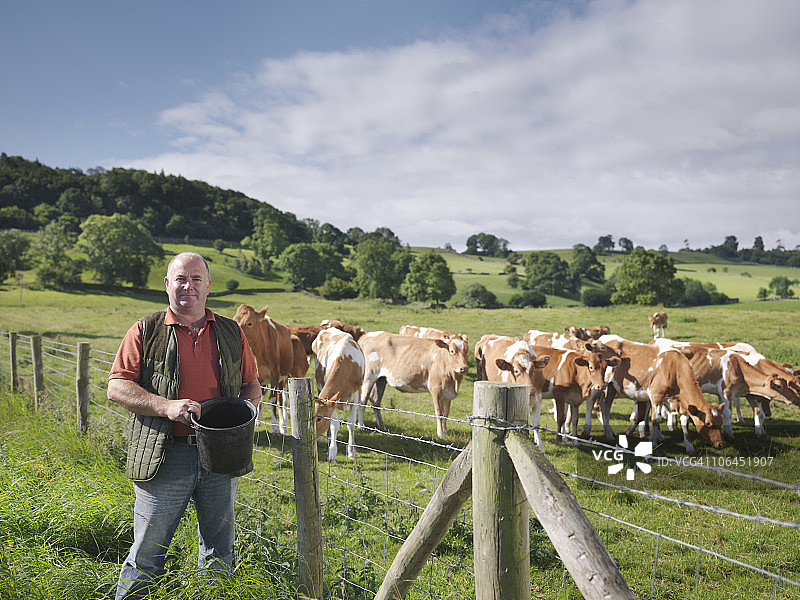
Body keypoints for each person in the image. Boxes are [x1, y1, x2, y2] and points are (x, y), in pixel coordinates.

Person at [107, 251, 261, 599]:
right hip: (165, 456)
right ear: (167, 284)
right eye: (180, 279)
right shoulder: (145, 330)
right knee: (147, 554)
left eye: (195, 279)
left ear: (208, 285)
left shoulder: (231, 331)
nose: (187, 286)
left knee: (219, 553)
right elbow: (117, 386)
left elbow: (251, 383)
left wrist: (249, 411)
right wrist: (166, 407)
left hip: (221, 457)